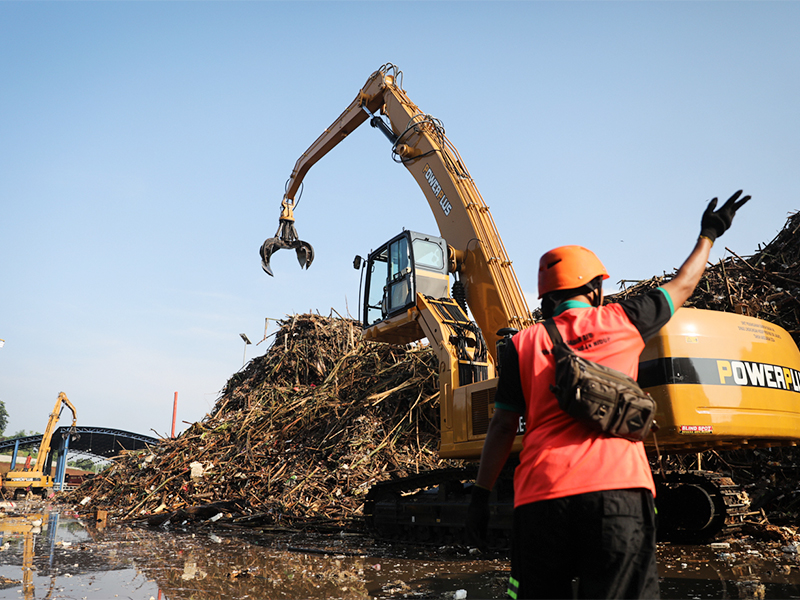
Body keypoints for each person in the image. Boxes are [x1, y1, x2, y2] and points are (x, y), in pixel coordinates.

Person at [466, 191, 751, 599]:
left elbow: (502, 425)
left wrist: (480, 495)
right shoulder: (624, 320)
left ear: (545, 296)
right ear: (596, 288)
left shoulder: (520, 345)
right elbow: (683, 284)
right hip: (618, 493)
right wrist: (709, 233)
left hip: (542, 499)